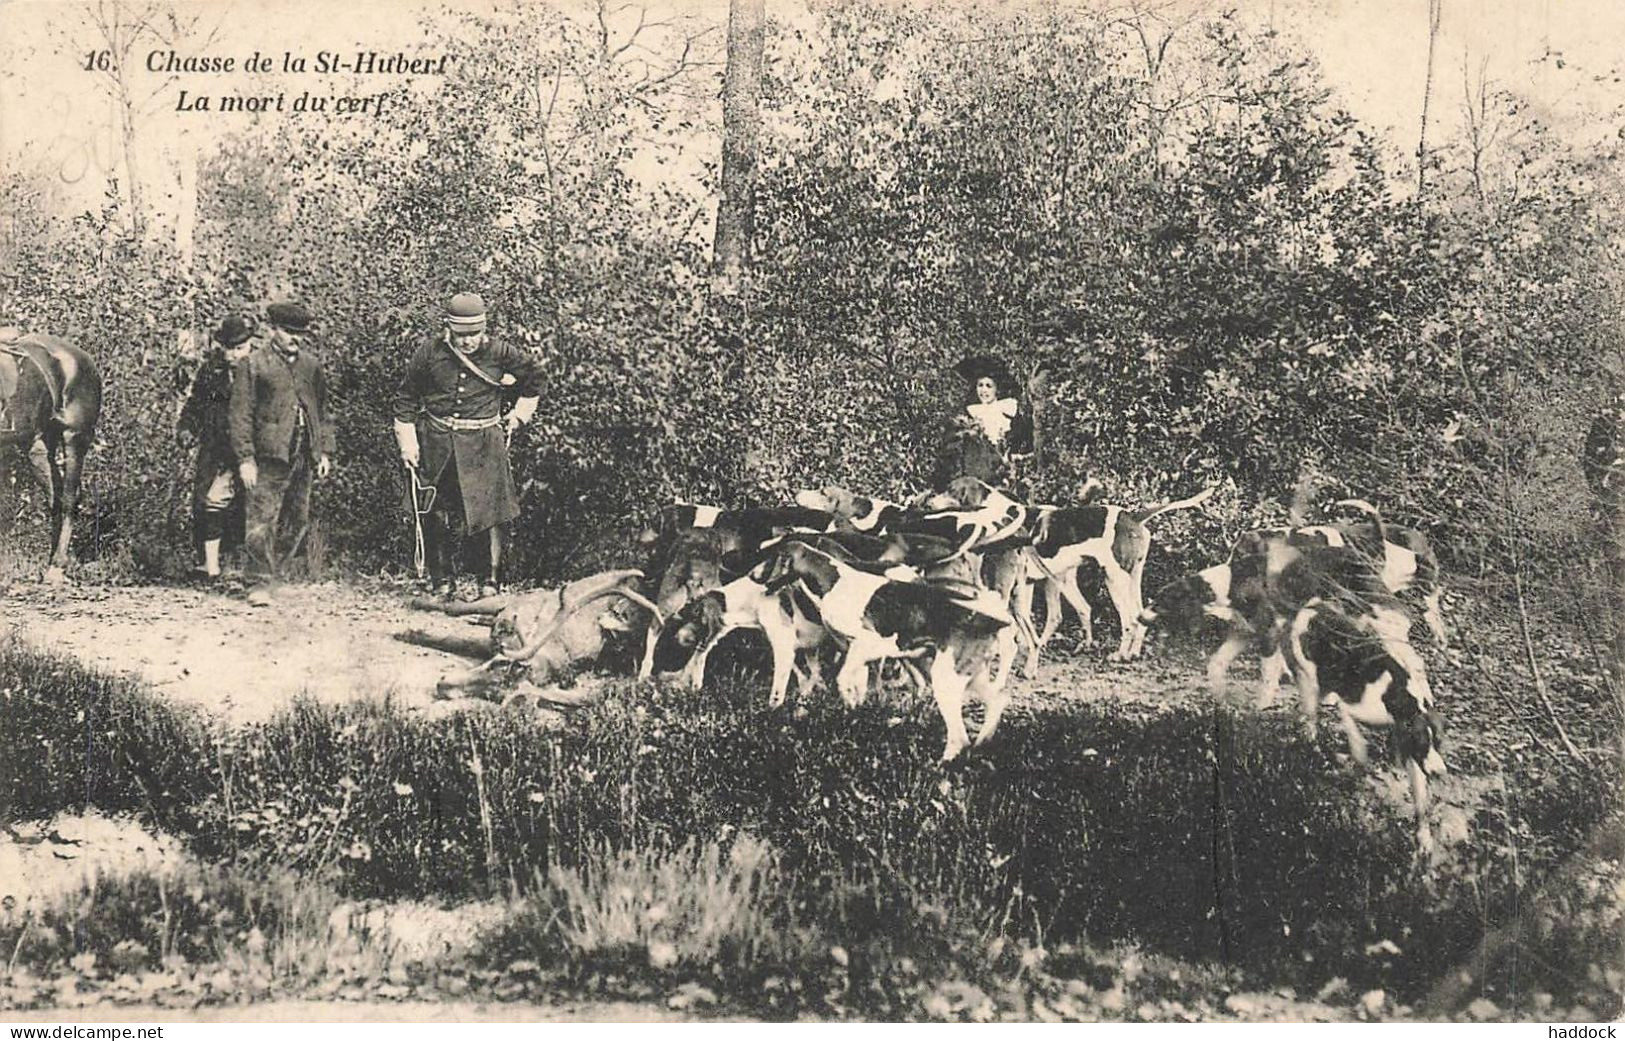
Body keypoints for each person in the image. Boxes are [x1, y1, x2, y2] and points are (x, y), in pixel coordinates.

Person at [391, 292, 543, 598]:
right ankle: (441, 582)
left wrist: (519, 416)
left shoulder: (501, 352)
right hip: (437, 442)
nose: (468, 342)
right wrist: (407, 442)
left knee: (490, 514)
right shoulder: (429, 353)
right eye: (461, 335)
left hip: (484, 443)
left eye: (474, 334)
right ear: (449, 329)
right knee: (433, 510)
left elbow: (536, 378)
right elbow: (406, 398)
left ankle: (489, 583)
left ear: (483, 329)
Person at [227, 300, 335, 606]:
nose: (294, 338)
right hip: (268, 454)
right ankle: (257, 582)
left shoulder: (310, 366)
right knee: (261, 518)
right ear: (273, 330)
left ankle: (276, 574)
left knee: (297, 519)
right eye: (288, 332)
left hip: (303, 452)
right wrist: (245, 458)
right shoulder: (254, 364)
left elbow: (322, 410)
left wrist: (324, 449)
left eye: (299, 333)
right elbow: (240, 415)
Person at [178, 313, 256, 580]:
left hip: (251, 448)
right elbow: (196, 403)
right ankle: (208, 563)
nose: (233, 355)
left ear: (250, 344)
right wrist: (187, 426)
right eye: (228, 349)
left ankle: (242, 564)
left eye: (239, 348)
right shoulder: (212, 370)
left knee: (249, 504)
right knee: (205, 499)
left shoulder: (262, 369)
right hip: (215, 444)